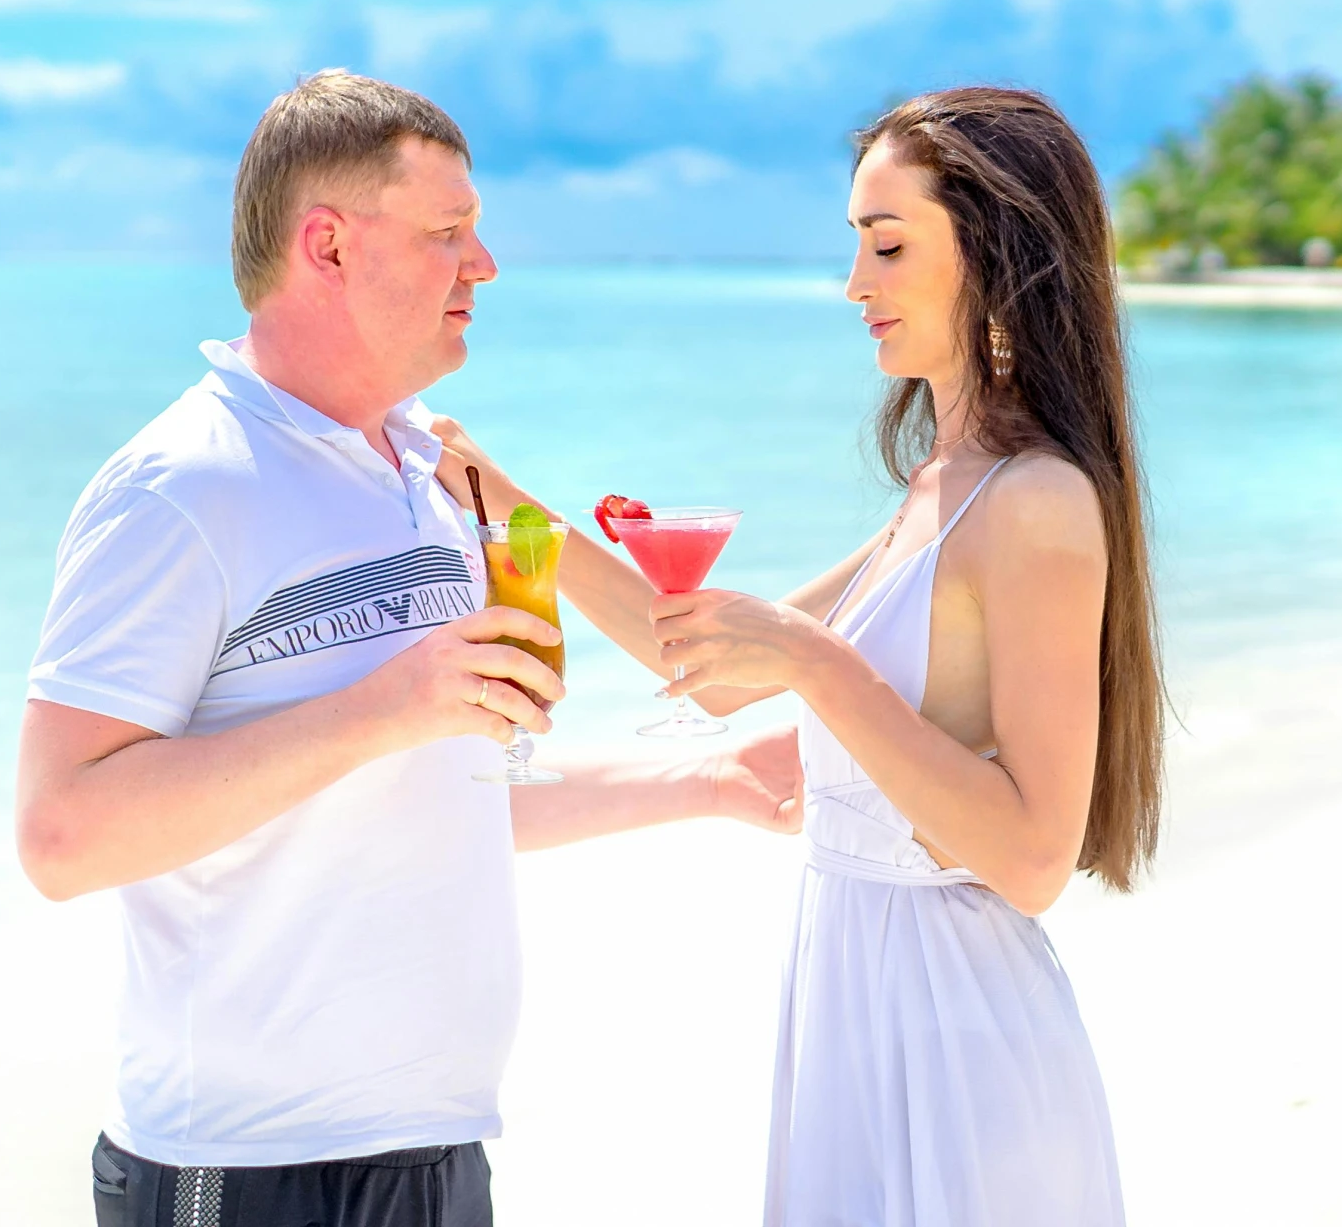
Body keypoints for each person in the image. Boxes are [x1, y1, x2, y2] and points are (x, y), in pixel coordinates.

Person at [15, 70, 803, 1227]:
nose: (482, 267)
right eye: (448, 233)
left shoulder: (426, 477)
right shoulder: (179, 486)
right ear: (326, 245)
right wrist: (384, 706)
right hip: (241, 1173)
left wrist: (709, 780)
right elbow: (61, 836)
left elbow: (435, 793)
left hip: (439, 1150)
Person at [441, 86, 1164, 1225]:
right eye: (855, 247)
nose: (854, 285)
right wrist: (505, 504)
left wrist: (818, 667)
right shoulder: (940, 488)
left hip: (957, 1043)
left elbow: (1031, 858)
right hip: (852, 1005)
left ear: (997, 251)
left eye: (887, 245)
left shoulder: (1036, 503)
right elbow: (711, 665)